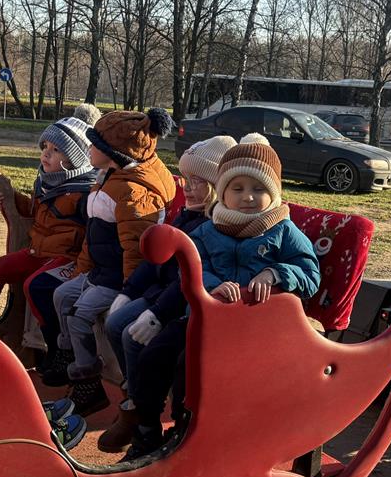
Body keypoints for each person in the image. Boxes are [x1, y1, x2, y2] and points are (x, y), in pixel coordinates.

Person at [122, 137, 321, 459]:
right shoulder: (207, 230)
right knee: (154, 356)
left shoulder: (284, 230)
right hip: (206, 319)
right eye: (237, 188)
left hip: (255, 327)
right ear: (223, 191)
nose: (248, 197)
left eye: (258, 188)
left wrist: (275, 274)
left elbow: (310, 275)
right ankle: (147, 431)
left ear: (274, 192)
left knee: (190, 366)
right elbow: (191, 270)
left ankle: (186, 432)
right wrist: (214, 285)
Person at [96, 134, 234, 452]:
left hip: (178, 299)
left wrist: (156, 313)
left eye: (197, 181)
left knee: (132, 336)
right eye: (185, 179)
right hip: (163, 291)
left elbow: (189, 278)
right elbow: (155, 261)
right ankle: (134, 400)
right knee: (115, 323)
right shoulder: (186, 214)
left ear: (217, 186)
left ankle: (145, 418)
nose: (188, 187)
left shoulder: (211, 225)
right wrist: (129, 292)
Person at [42, 107, 177, 416]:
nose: (89, 149)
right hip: (100, 271)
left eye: (95, 144)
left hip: (118, 279)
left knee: (78, 315)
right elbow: (95, 235)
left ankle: (87, 380)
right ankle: (69, 356)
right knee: (61, 294)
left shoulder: (131, 192)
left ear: (113, 152)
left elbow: (136, 251)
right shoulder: (110, 176)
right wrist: (82, 271)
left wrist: (128, 293)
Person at [0, 113, 96, 329]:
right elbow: (34, 213)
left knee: (33, 285)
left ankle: (52, 343)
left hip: (66, 257)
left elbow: (93, 236)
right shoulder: (46, 182)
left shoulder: (85, 192)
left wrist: (80, 270)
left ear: (75, 159)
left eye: (56, 150)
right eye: (45, 146)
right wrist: (10, 197)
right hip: (38, 252)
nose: (46, 153)